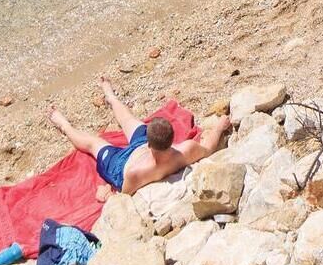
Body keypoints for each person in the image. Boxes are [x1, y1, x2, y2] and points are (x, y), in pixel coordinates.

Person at [48, 77, 232, 197]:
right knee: (129, 120)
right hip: (142, 148)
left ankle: (63, 124)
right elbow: (208, 147)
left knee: (94, 144)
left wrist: (106, 193)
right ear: (172, 138)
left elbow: (123, 196)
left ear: (150, 143)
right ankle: (110, 97)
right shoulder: (186, 150)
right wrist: (219, 128)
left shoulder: (136, 173)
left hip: (119, 166)